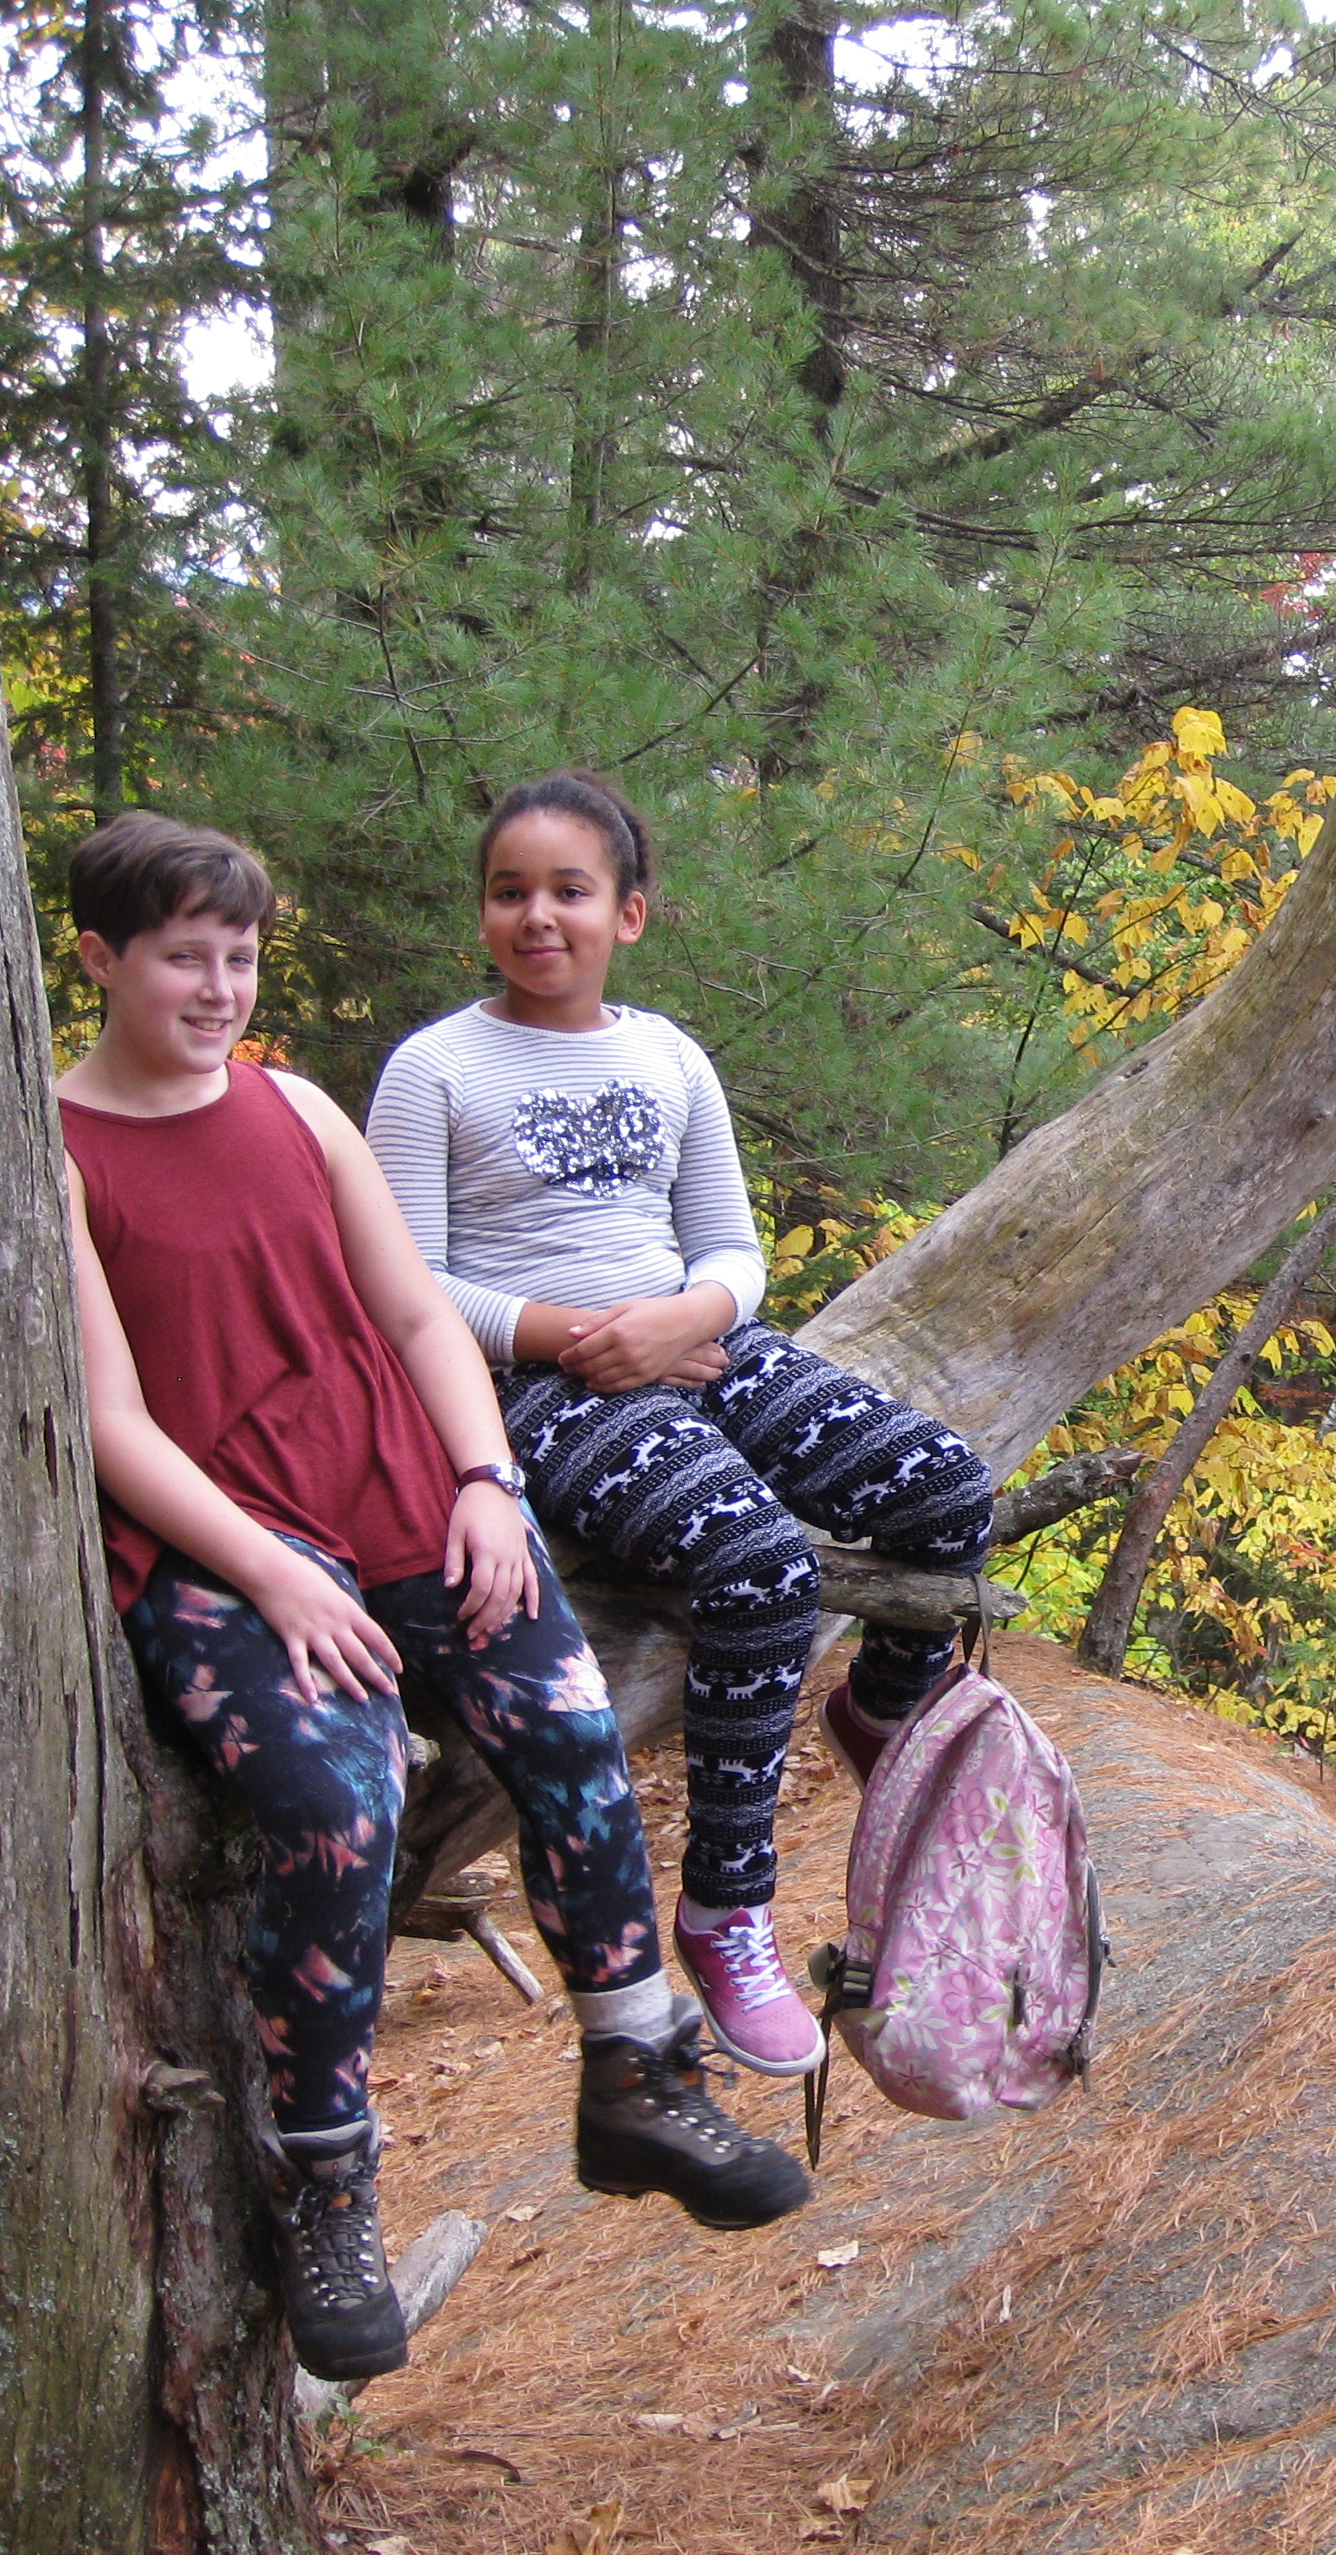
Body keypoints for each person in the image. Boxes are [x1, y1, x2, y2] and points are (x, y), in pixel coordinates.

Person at [55, 810, 809, 2383]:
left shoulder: (299, 1110)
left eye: (240, 957)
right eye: (183, 957)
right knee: (341, 1803)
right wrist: (271, 1576)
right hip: (213, 1537)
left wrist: (486, 1484)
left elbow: (412, 1313)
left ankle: (635, 2078)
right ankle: (324, 2177)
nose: (217, 988)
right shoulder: (56, 1152)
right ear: (100, 961)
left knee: (564, 1719)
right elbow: (111, 1418)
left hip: (401, 1480)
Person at [365, 772, 996, 2078]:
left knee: (946, 1492)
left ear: (629, 914)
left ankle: (880, 1716)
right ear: (484, 911)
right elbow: (400, 1281)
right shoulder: (434, 1068)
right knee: (756, 1568)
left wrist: (681, 1319)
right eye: (509, 890)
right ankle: (726, 1910)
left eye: (570, 890)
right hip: (537, 1385)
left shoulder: (667, 1055)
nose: (538, 915)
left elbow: (732, 1247)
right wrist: (566, 1336)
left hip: (699, 1340)